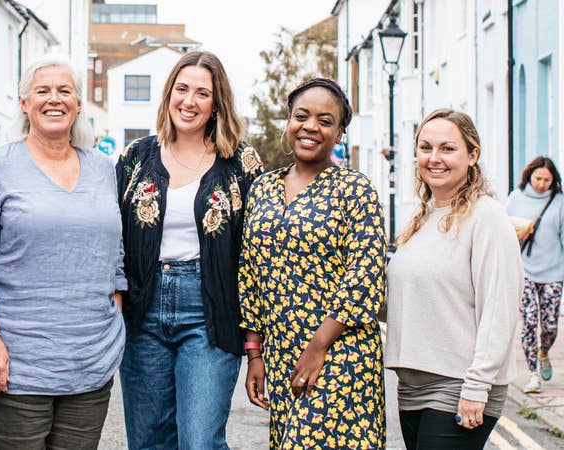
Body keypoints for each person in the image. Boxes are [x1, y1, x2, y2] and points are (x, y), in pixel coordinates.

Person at [0, 54, 125, 450]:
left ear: (78, 103)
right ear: (24, 103)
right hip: (17, 365)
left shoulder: (103, 169)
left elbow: (116, 256)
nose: (54, 99)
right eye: (43, 91)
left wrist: (113, 321)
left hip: (90, 365)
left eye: (64, 91)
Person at [116, 50, 263, 449]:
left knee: (199, 441)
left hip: (210, 312)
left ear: (217, 104)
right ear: (168, 95)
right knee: (148, 441)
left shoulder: (240, 162)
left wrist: (255, 344)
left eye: (203, 93)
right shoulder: (136, 158)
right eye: (182, 89)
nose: (190, 100)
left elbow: (257, 251)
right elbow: (111, 237)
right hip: (142, 311)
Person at [239, 78, 387, 449]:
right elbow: (249, 273)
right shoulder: (262, 188)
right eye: (301, 116)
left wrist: (318, 346)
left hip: (341, 352)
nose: (310, 127)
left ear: (340, 133)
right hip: (281, 352)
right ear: (288, 121)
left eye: (325, 120)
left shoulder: (356, 190)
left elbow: (365, 277)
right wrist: (254, 353)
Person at [385, 109, 523, 449]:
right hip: (411, 387)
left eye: (447, 148)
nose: (434, 159)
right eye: (425, 147)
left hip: (460, 385)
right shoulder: (420, 218)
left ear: (472, 155)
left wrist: (477, 387)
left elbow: (499, 308)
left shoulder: (487, 217)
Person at [507, 157, 564, 393]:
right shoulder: (516, 198)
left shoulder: (558, 201)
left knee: (550, 324)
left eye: (547, 180)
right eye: (538, 178)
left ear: (553, 181)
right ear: (529, 175)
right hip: (525, 270)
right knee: (529, 321)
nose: (541, 183)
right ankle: (533, 375)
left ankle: (544, 352)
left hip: (553, 271)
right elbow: (503, 230)